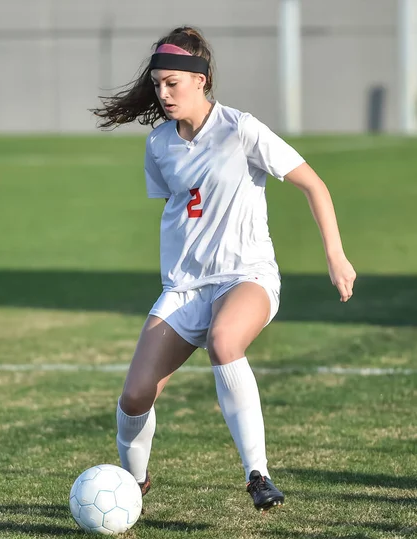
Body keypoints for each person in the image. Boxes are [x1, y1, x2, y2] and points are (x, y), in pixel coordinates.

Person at [94, 26, 356, 512]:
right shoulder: (158, 145)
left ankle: (258, 474)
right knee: (134, 397)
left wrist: (335, 255)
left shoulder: (241, 129)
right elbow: (179, 208)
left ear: (202, 79)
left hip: (246, 276)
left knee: (224, 341)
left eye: (173, 83)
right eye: (158, 85)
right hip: (184, 286)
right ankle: (133, 485)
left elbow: (314, 185)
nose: (164, 93)